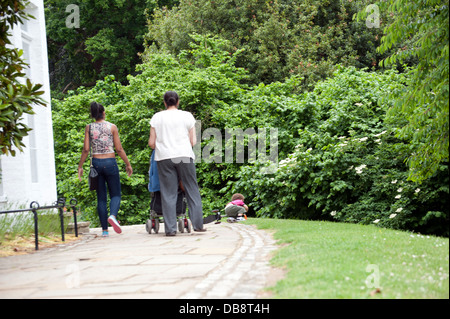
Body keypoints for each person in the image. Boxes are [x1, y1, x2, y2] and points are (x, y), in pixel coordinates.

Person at [148, 91, 205, 236]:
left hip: (164, 158)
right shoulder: (187, 116)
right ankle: (198, 224)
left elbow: (151, 143)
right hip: (184, 155)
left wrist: (164, 145)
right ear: (178, 102)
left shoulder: (157, 117)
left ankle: (170, 229)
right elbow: (193, 142)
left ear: (164, 102)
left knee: (168, 193)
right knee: (191, 189)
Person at [78, 102, 133, 237]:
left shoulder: (89, 127)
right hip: (110, 162)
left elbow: (86, 149)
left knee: (101, 198)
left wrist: (80, 166)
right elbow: (119, 149)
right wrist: (128, 164)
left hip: (96, 163)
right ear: (103, 112)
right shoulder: (112, 127)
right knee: (115, 194)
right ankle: (113, 216)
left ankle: (104, 230)